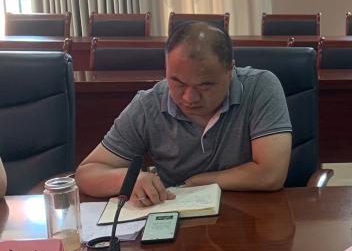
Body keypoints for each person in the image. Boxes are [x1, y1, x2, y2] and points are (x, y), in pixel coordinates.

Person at [76, 22, 293, 206]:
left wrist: (198, 182)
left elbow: (271, 174)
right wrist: (129, 179)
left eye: (205, 85)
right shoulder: (149, 104)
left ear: (230, 70)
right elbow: (86, 173)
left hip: (251, 216)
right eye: (177, 82)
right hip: (178, 222)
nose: (189, 98)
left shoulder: (259, 88)